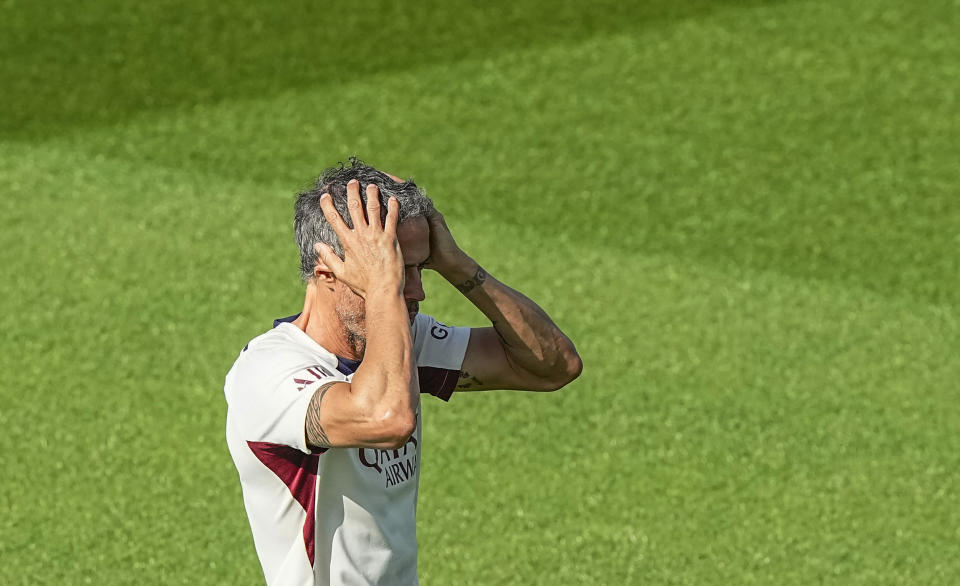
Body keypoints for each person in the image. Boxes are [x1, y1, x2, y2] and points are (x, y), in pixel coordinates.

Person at [224, 158, 582, 585]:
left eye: (419, 268)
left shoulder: (400, 339)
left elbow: (553, 366)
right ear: (327, 271)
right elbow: (387, 418)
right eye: (395, 271)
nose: (417, 291)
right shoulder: (268, 373)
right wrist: (383, 287)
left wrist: (457, 265)